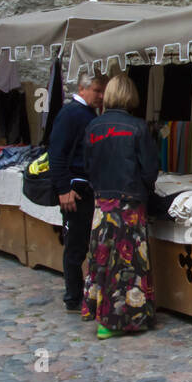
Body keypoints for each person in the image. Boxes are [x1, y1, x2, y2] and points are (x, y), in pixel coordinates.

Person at [81, 73, 159, 338]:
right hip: (129, 206)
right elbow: (149, 170)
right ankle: (130, 318)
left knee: (104, 262)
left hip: (103, 205)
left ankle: (104, 318)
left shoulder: (93, 127)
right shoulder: (138, 128)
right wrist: (145, 189)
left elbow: (88, 167)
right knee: (129, 266)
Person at [48, 70, 106, 311]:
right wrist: (63, 188)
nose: (101, 96)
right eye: (97, 90)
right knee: (75, 245)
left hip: (87, 188)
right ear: (82, 89)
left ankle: (84, 292)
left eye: (103, 91)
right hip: (75, 189)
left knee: (84, 242)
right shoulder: (71, 114)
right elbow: (57, 153)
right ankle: (72, 296)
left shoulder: (86, 113)